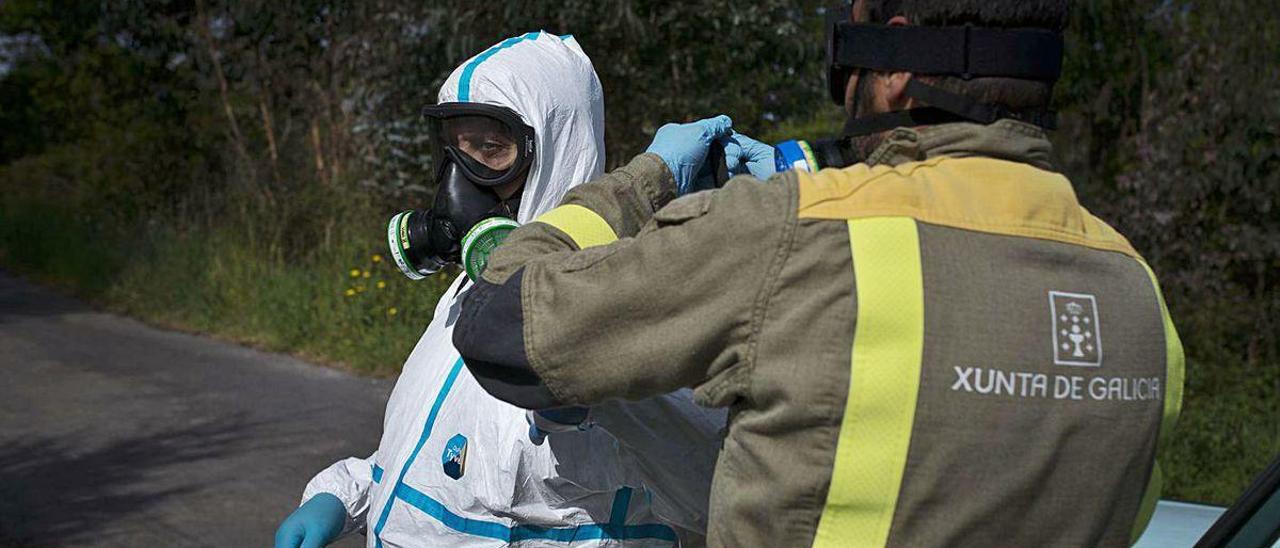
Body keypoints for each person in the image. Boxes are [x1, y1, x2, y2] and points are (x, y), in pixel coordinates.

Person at [452, 2, 1185, 547]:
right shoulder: (1139, 297)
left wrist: (645, 180)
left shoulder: (792, 235)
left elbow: (499, 324)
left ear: (894, 67)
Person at [275, 32, 724, 548]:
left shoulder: (620, 304)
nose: (458, 185)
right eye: (455, 150)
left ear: (556, 153)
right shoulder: (468, 294)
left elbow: (707, 489)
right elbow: (438, 457)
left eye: (490, 149)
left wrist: (598, 399)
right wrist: (343, 495)